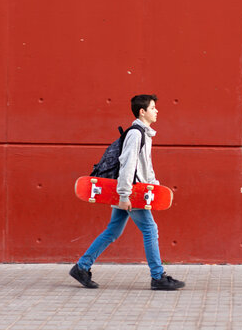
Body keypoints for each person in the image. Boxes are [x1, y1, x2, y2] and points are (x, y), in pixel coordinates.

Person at [70, 94, 185, 291]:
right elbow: (127, 166)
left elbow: (145, 168)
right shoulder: (136, 134)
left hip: (133, 190)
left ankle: (81, 267)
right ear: (142, 111)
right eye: (153, 108)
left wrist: (155, 188)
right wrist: (124, 196)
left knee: (113, 230)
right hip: (132, 192)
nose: (156, 111)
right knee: (150, 230)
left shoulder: (144, 134)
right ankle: (158, 277)